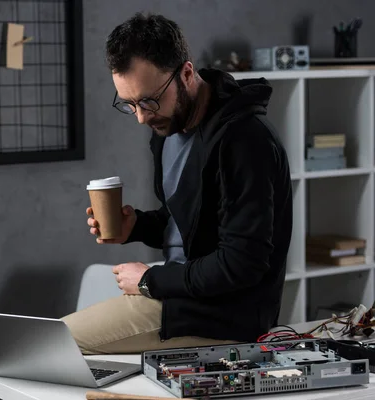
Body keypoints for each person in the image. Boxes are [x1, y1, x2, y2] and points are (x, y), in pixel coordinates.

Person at [62, 13, 293, 355]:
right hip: (181, 296)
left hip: (220, 316)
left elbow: (242, 264)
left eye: (149, 101)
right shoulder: (168, 129)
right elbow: (192, 223)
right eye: (129, 104)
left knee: (53, 344)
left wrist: (149, 281)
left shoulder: (245, 140)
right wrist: (136, 226)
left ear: (186, 73)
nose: (142, 117)